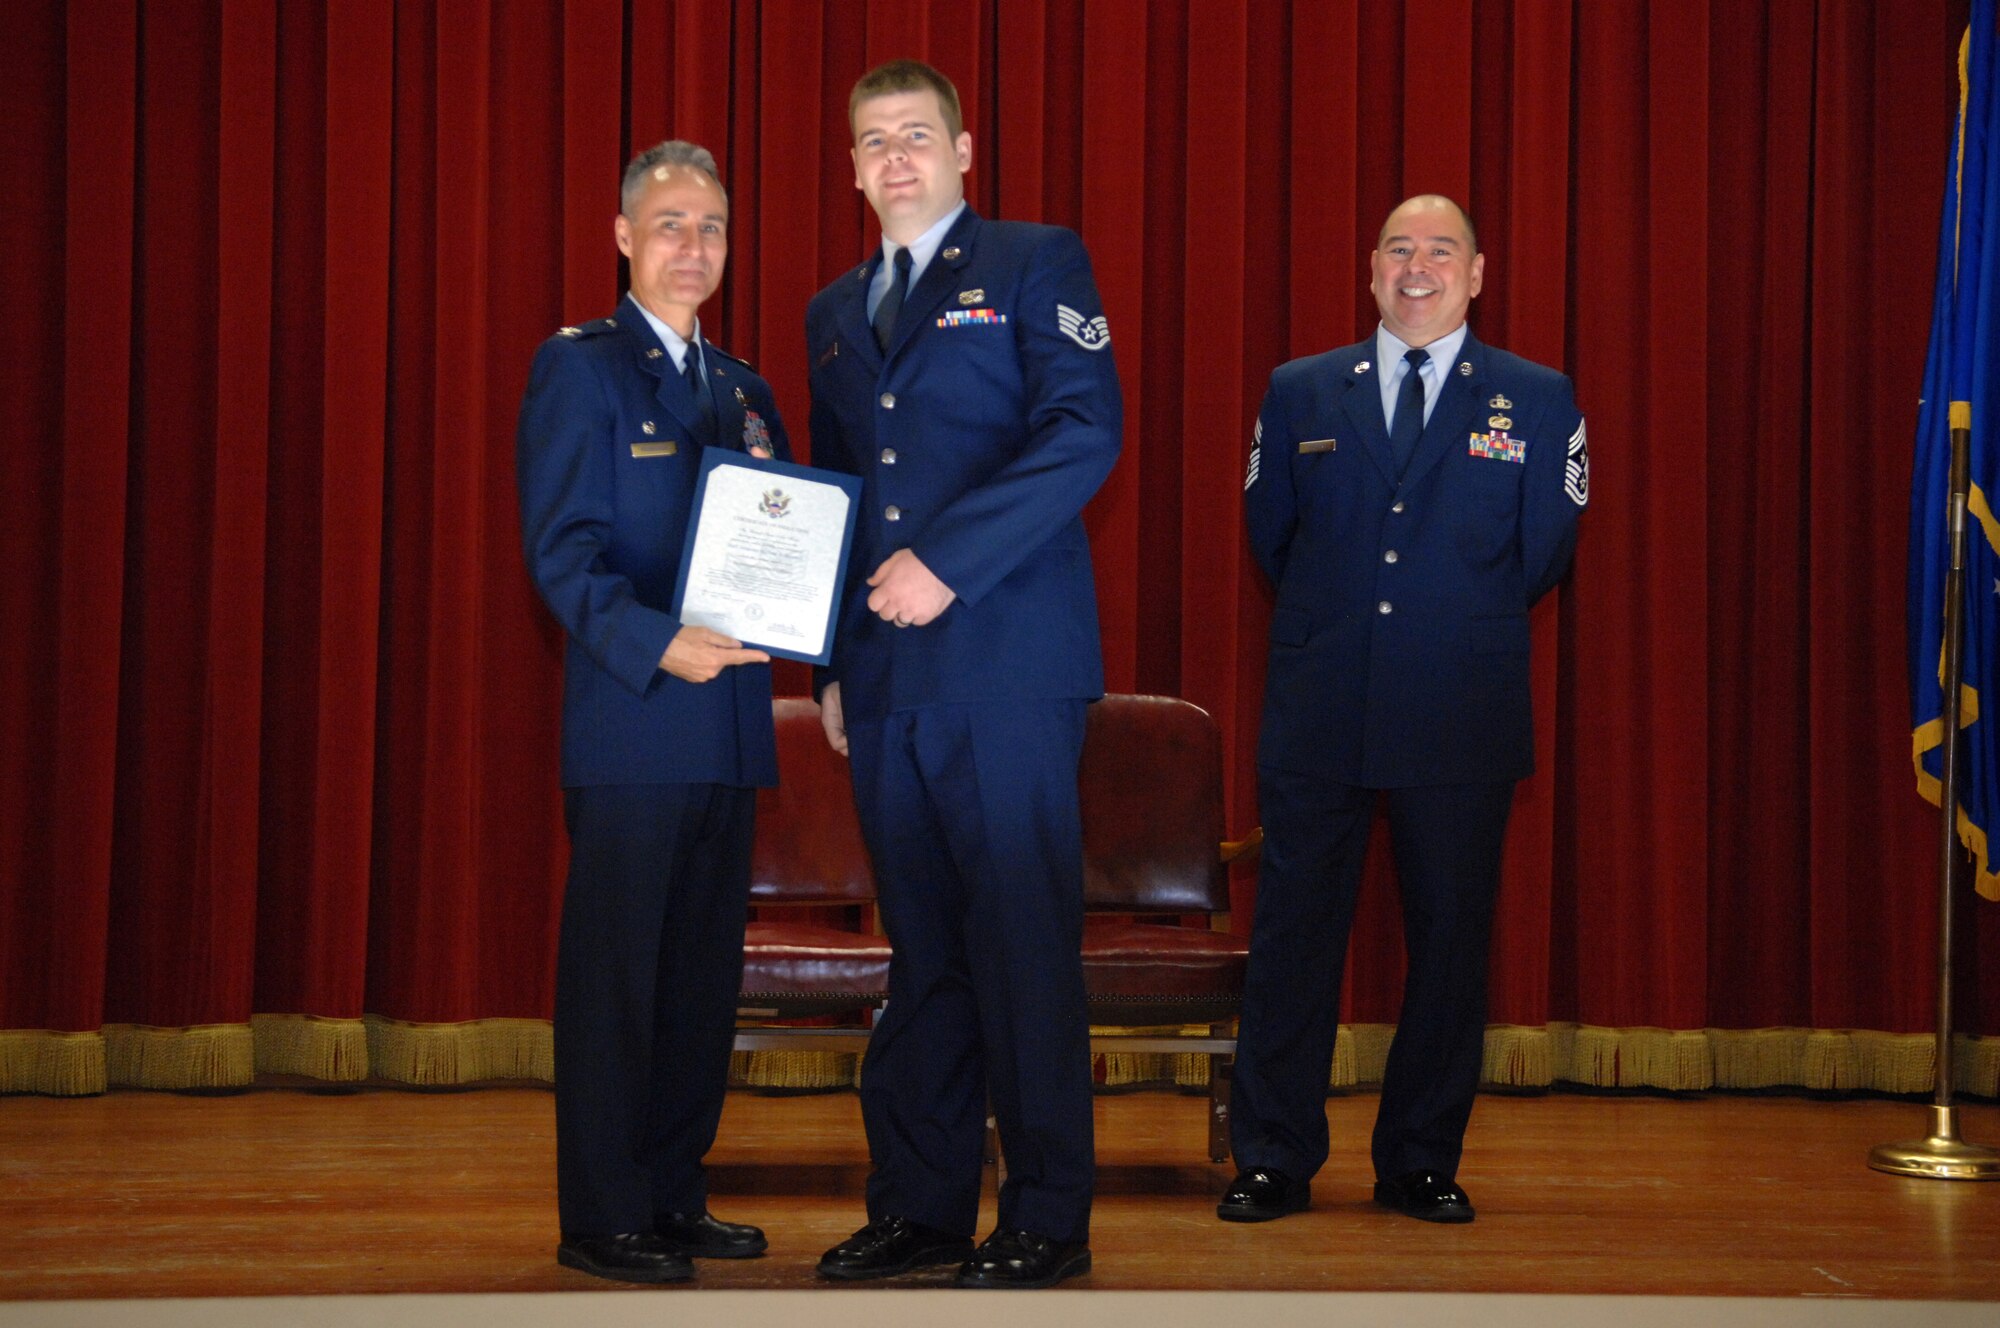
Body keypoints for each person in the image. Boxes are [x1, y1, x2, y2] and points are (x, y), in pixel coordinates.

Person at [803, 60, 1122, 1290]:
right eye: (872, 140)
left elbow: (1083, 428)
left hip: (1005, 661)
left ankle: (1046, 1213)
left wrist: (949, 559)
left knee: (1021, 940)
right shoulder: (834, 306)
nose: (895, 158)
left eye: (916, 135)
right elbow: (839, 498)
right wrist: (833, 658)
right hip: (886, 681)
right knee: (921, 949)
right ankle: (921, 1207)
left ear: (963, 148)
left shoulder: (1036, 261)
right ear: (850, 166)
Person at [1222, 194, 1588, 1227]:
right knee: (1293, 939)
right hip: (1319, 702)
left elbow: (1540, 551)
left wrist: (1433, 621)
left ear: (1476, 273)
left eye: (1440, 250)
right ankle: (1272, 1155)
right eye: (1396, 248)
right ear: (1369, 268)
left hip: (1457, 707)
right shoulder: (1299, 391)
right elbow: (1271, 535)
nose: (1415, 266)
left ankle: (1419, 1157)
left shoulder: (1537, 396)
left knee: (1448, 942)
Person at [515, 140, 790, 1283]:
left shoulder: (744, 388)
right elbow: (560, 554)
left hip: (726, 732)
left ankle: (673, 1192)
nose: (694, 246)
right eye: (670, 224)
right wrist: (652, 637)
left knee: (695, 984)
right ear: (623, 237)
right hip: (631, 724)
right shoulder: (578, 369)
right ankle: (602, 1211)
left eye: (712, 228)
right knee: (619, 980)